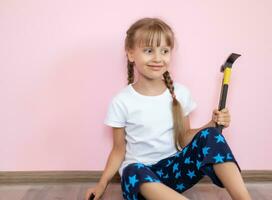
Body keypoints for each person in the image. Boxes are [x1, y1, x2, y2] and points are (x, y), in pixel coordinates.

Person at [85, 17, 252, 200]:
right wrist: (101, 184)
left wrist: (213, 124)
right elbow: (118, 150)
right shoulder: (122, 101)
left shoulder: (180, 93)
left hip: (175, 171)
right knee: (132, 170)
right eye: (149, 51)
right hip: (143, 178)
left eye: (164, 51)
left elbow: (184, 137)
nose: (157, 58)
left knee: (212, 135)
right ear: (131, 54)